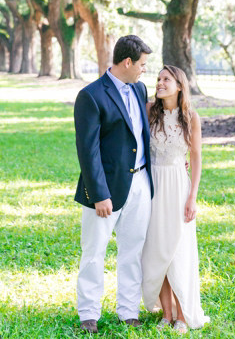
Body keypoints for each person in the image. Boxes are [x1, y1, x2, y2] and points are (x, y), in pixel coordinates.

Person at [74, 35, 154, 334]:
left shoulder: (140, 88)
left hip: (141, 182)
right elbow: (88, 150)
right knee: (94, 252)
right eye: (143, 64)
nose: (145, 70)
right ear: (128, 62)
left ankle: (128, 310)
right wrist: (99, 194)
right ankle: (88, 314)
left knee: (133, 250)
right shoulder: (91, 95)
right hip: (105, 189)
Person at [141, 65, 210, 334]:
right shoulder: (149, 112)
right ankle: (166, 314)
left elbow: (195, 158)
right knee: (158, 250)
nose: (159, 83)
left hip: (178, 187)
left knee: (178, 250)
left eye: (166, 79)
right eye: (158, 79)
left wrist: (192, 197)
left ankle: (183, 315)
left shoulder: (191, 117)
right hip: (153, 186)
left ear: (179, 85)